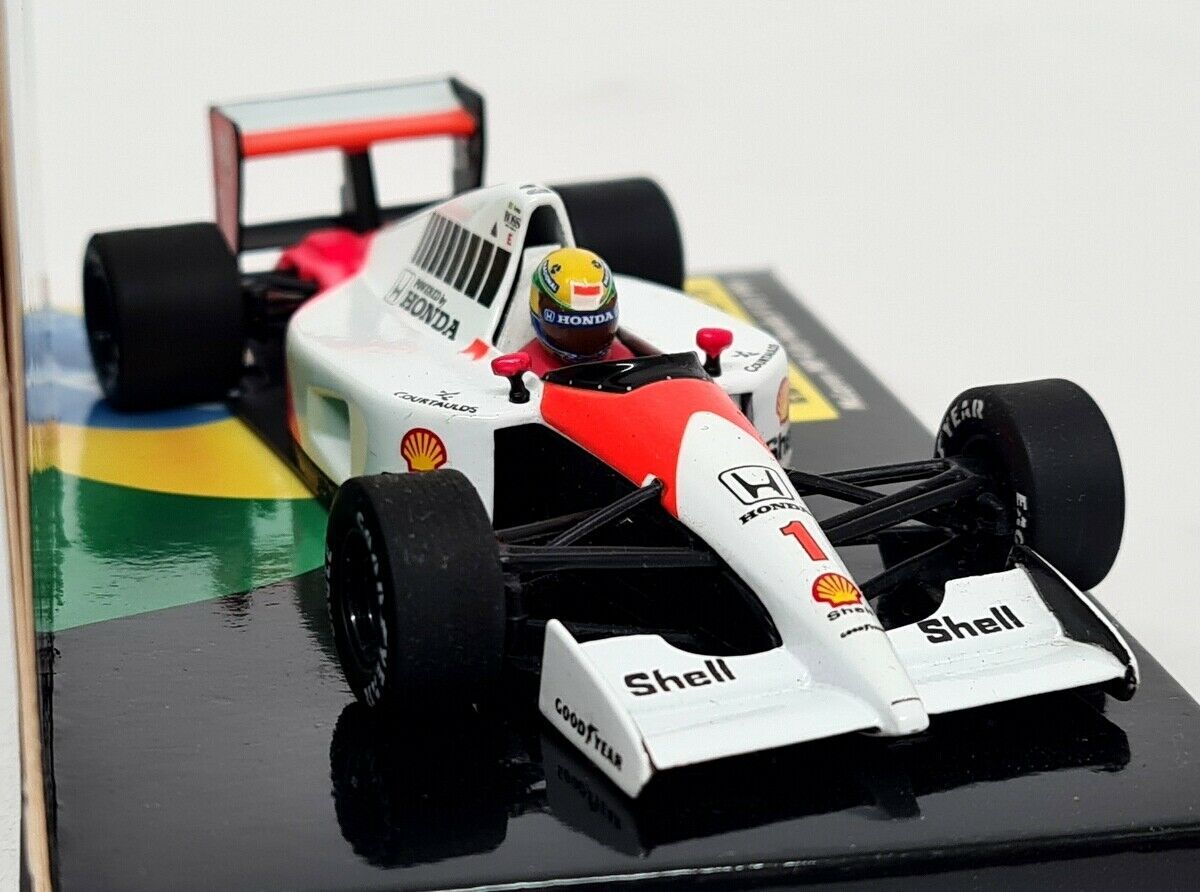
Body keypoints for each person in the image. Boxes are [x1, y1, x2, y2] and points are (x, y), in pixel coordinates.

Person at [524, 247, 634, 373]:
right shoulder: (524, 371)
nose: (586, 343)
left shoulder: (627, 359)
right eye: (569, 330)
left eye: (596, 330)